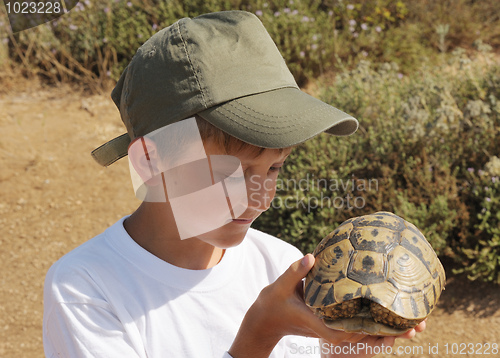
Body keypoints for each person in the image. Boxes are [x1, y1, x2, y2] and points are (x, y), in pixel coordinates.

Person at [43, 10, 425, 358]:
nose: (260, 200)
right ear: (150, 161)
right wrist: (260, 334)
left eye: (274, 168)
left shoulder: (279, 265)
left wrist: (349, 349)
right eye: (232, 173)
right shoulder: (86, 288)